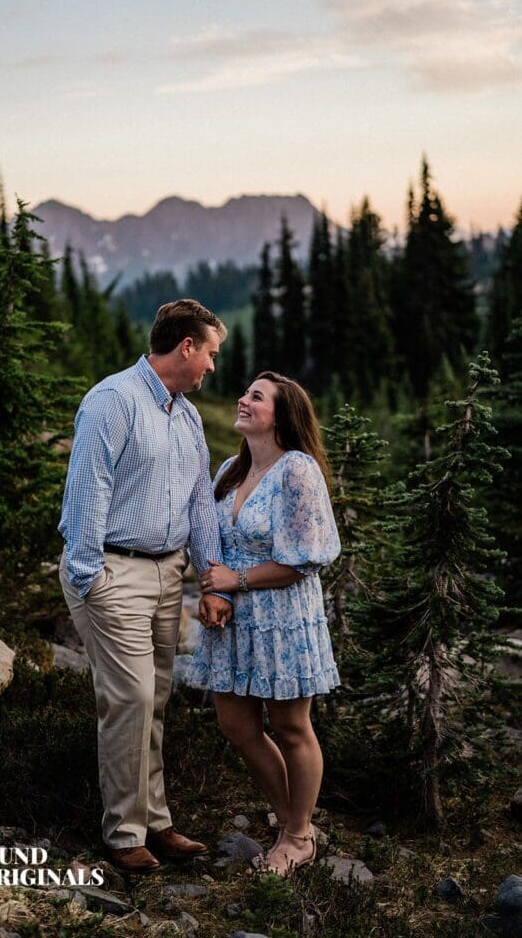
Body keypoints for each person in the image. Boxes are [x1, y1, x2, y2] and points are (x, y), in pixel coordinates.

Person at [58, 299, 232, 874]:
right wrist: (90, 577)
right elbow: (86, 491)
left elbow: (199, 504)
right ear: (186, 347)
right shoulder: (114, 402)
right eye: (209, 353)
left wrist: (209, 581)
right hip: (115, 572)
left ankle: (156, 822)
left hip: (168, 577)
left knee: (155, 698)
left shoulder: (184, 415)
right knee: (129, 698)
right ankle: (123, 832)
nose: (211, 366)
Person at [188, 371, 341, 875]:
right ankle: (290, 821)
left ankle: (297, 836)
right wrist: (213, 590)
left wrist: (238, 582)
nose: (243, 400)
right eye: (245, 393)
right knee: (235, 724)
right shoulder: (232, 468)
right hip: (233, 620)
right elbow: (211, 540)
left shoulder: (297, 470)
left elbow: (304, 559)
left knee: (291, 726)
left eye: (257, 396)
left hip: (284, 619)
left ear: (284, 413)